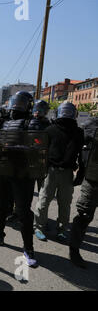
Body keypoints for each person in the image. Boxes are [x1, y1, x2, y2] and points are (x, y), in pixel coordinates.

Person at [0, 91, 41, 267]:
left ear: (29, 105)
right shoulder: (6, 123)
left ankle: (28, 248)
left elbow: (39, 146)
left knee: (24, 212)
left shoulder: (33, 123)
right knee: (1, 206)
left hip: (23, 175)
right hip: (4, 171)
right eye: (16, 102)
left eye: (21, 103)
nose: (17, 106)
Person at [33, 102, 84, 242]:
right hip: (53, 171)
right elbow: (42, 152)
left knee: (55, 202)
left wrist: (80, 173)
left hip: (63, 172)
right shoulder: (50, 130)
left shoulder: (78, 132)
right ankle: (40, 227)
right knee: (52, 201)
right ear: (75, 113)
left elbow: (80, 154)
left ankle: (58, 229)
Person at [69, 116, 98, 268]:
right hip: (93, 179)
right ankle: (74, 250)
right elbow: (79, 151)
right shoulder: (90, 126)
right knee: (84, 215)